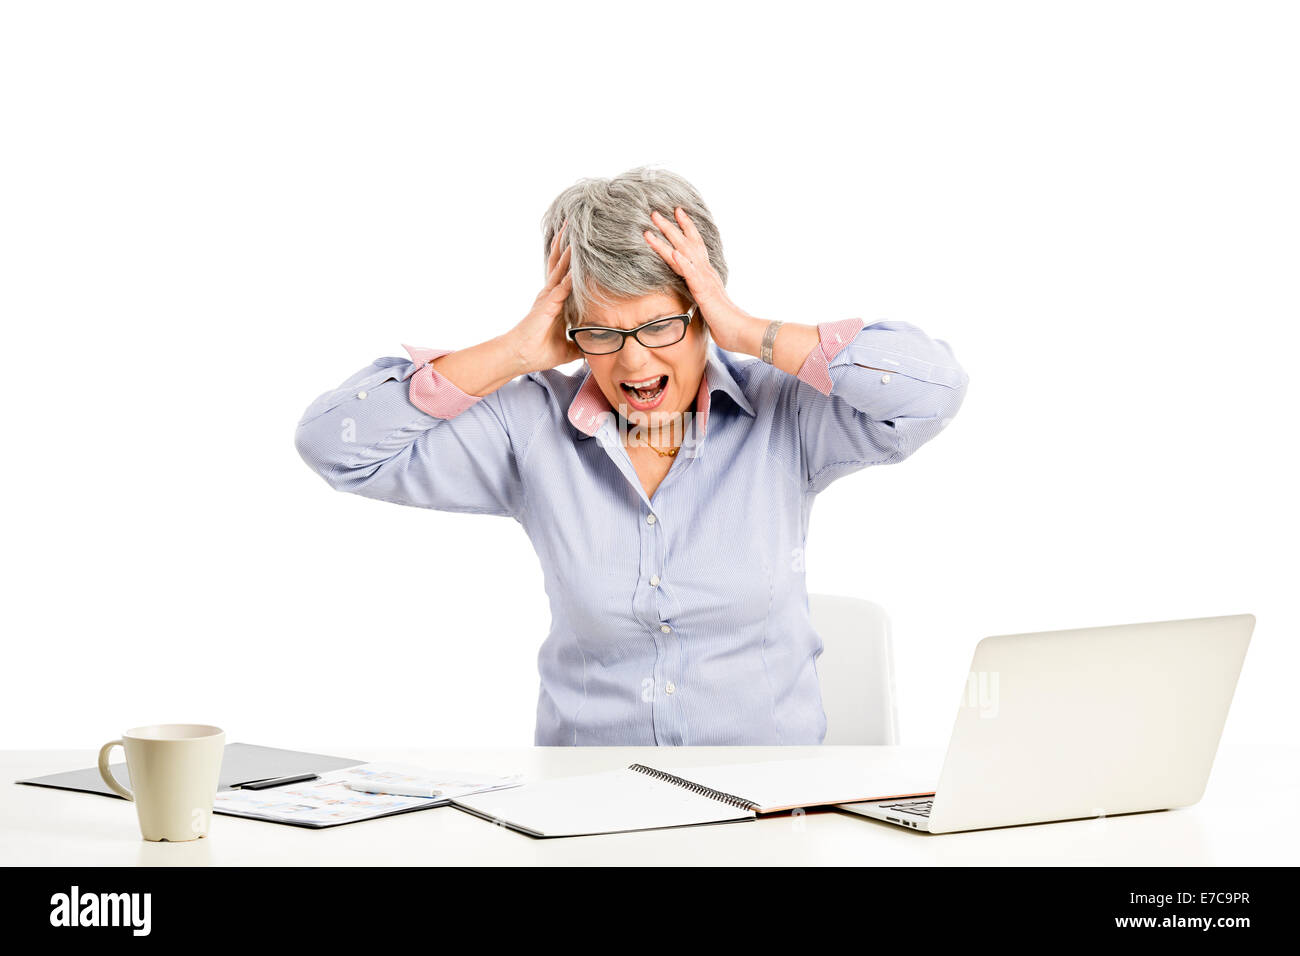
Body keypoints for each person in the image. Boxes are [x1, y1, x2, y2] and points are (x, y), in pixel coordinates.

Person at [294, 166, 969, 746]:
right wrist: (513, 353)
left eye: (660, 325)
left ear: (702, 309)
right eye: (602, 333)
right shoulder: (528, 424)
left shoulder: (784, 413)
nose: (634, 359)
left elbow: (931, 389)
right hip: (587, 812)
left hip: (769, 812)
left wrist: (750, 332)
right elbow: (335, 445)